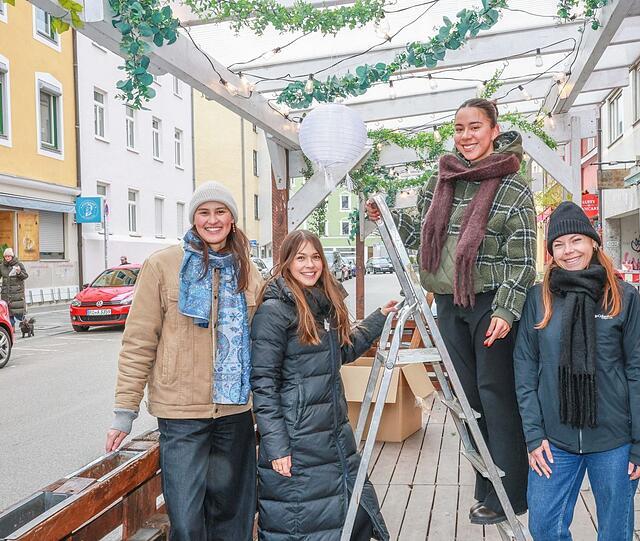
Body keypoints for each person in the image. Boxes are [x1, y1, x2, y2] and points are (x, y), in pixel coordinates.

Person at [366, 98, 536, 524]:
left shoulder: (512, 185)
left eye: (475, 127)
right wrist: (383, 215)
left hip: (490, 305)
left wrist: (508, 310)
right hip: (447, 303)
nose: (466, 136)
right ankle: (486, 485)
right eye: (459, 128)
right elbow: (421, 236)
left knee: (497, 396)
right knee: (468, 397)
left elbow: (524, 259)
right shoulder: (441, 180)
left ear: (494, 130)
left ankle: (510, 493)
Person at [105, 181, 266, 541]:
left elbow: (266, 338)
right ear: (193, 219)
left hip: (235, 412)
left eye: (220, 212)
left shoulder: (247, 270)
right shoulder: (162, 266)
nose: (213, 220)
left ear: (232, 219)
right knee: (187, 521)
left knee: (234, 519)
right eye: (204, 212)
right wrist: (124, 412)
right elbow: (138, 342)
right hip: (181, 416)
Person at [513, 202, 640, 541]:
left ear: (593, 242)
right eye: (559, 244)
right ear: (551, 252)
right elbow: (524, 368)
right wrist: (534, 435)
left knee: (615, 531)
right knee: (544, 525)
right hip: (554, 440)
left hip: (614, 440)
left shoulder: (623, 297)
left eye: (576, 240)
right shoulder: (539, 298)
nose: (569, 251)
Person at [251, 230, 397, 540]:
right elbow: (263, 384)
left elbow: (338, 352)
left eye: (315, 257)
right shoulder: (274, 311)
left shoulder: (321, 304)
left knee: (342, 516)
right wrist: (276, 446)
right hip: (297, 439)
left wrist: (378, 319)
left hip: (331, 434)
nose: (309, 265)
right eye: (301, 258)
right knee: (300, 523)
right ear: (287, 262)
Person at [0, 248, 29, 328]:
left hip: (17, 293)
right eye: (6, 256)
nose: (7, 258)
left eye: (9, 256)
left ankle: (27, 326)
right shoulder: (2, 266)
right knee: (9, 314)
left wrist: (19, 272)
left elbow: (25, 276)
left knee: (19, 315)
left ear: (12, 256)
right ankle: (11, 330)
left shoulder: (18, 264)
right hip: (6, 294)